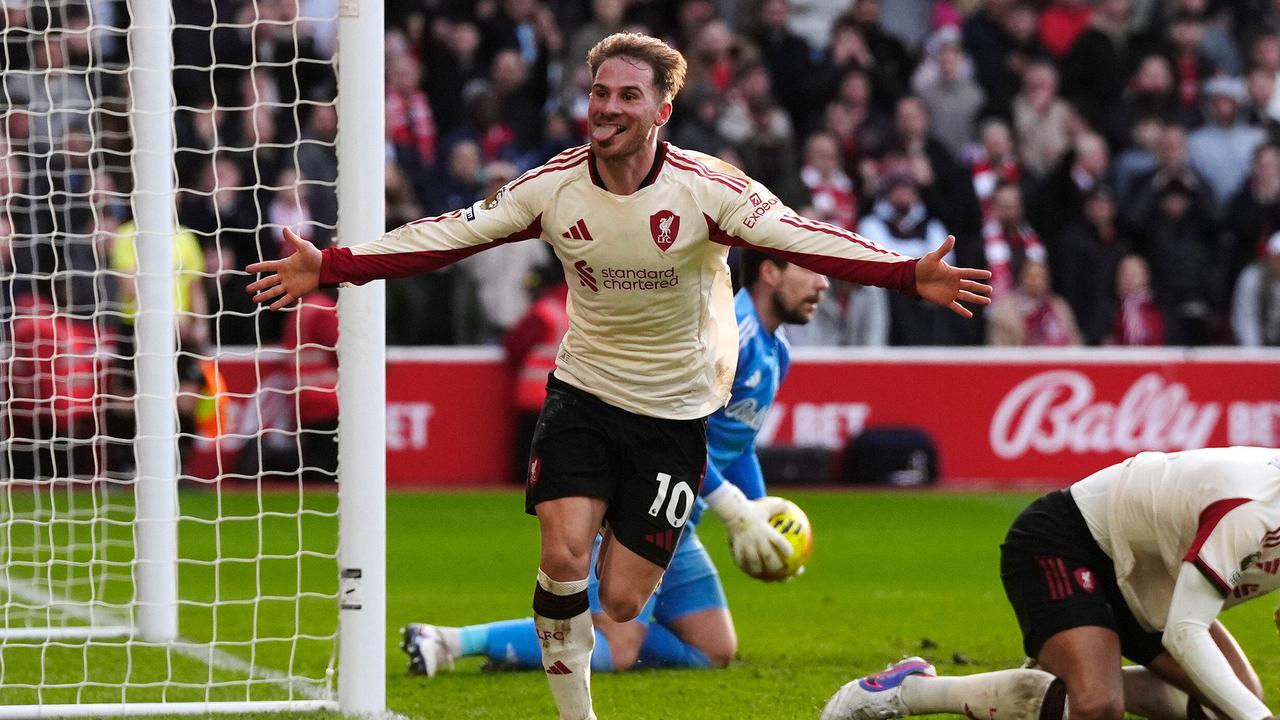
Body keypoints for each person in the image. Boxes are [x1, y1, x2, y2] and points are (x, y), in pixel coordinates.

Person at [247, 33, 992, 720]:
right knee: (563, 556)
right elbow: (450, 233)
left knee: (625, 602)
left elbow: (802, 236)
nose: (606, 107)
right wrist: (334, 265)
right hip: (585, 393)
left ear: (662, 110)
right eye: (599, 92)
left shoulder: (708, 190)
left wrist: (903, 274)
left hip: (673, 418)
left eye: (627, 96)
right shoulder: (555, 186)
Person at [399, 250, 828, 677]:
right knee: (615, 647)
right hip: (641, 507)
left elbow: (739, 445)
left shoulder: (777, 352)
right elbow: (674, 434)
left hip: (681, 522)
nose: (823, 284)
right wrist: (733, 510)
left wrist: (760, 518)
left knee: (712, 648)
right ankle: (448, 641)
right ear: (770, 272)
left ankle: (541, 649)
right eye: (812, 272)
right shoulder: (728, 337)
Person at [821, 447, 1280, 720]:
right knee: (1098, 705)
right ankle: (911, 690)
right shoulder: (1248, 508)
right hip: (1067, 541)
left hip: (1149, 579)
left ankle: (1050, 678)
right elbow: (1185, 632)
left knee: (1234, 699)